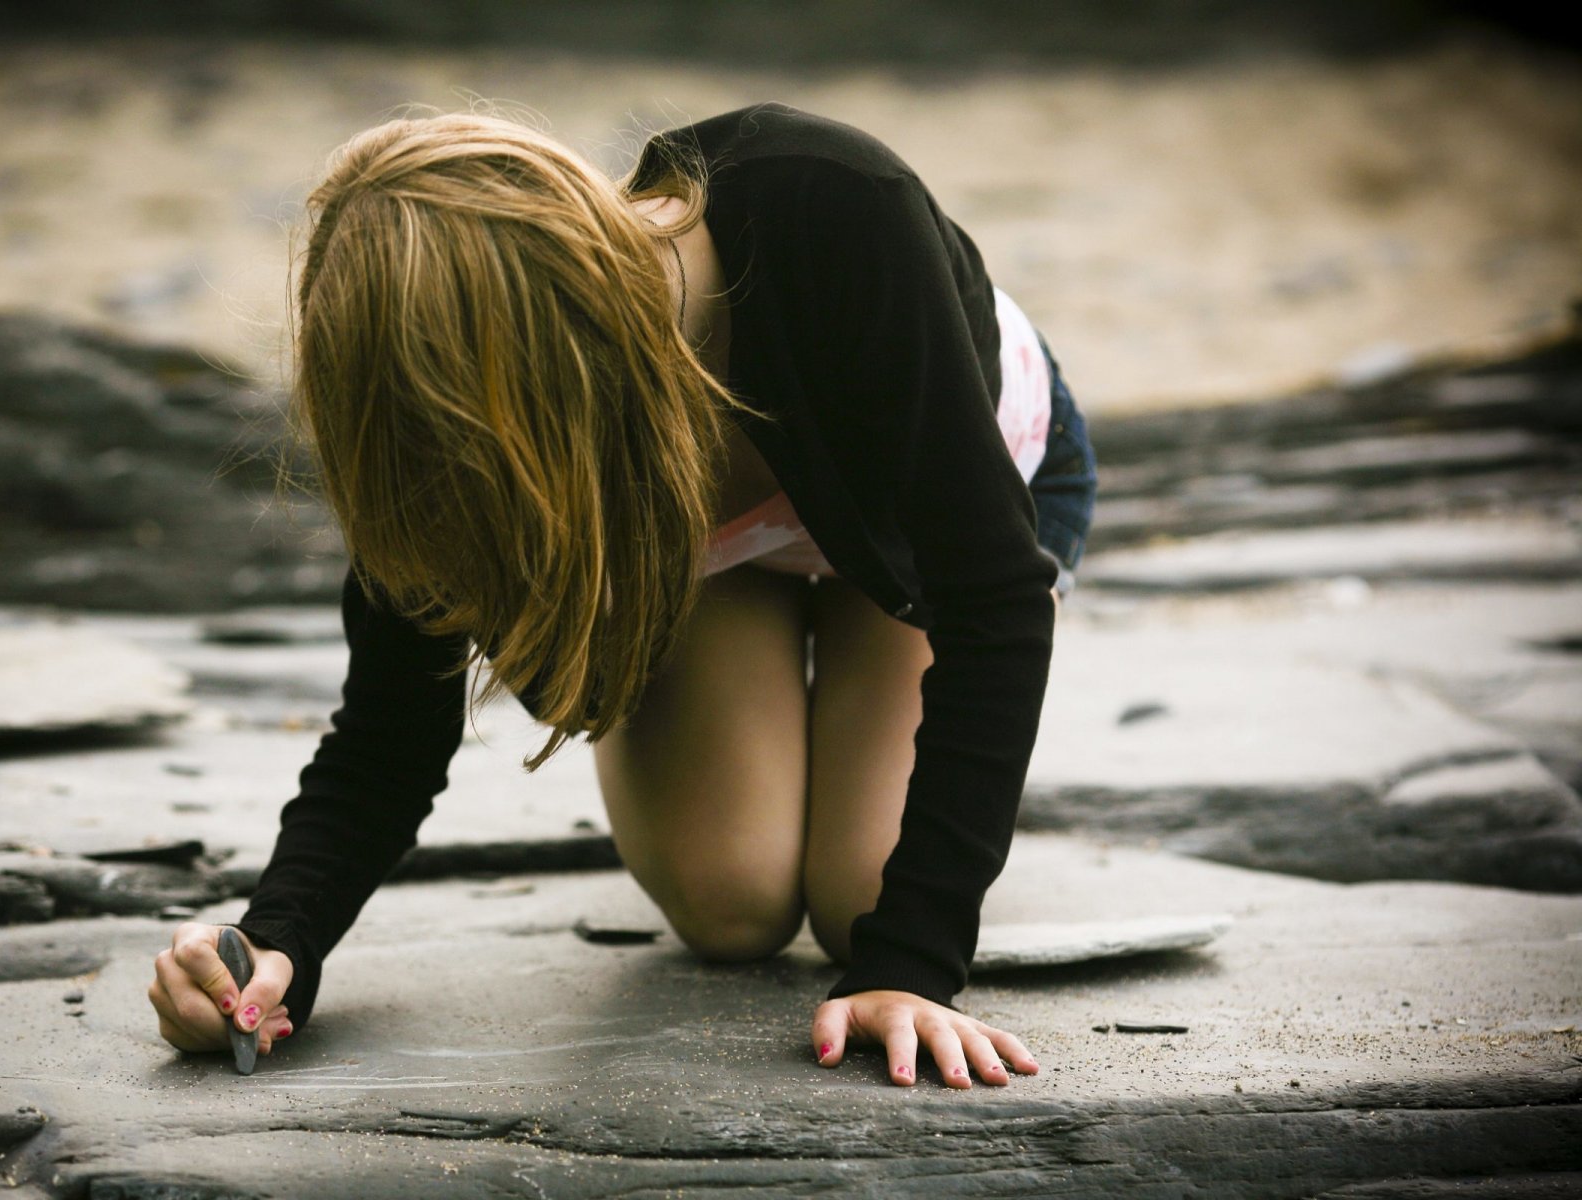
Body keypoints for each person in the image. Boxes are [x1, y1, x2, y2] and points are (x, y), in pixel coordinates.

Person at [147, 100, 1099, 1088]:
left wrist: (911, 968)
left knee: (866, 897)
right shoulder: (440, 422)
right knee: (731, 904)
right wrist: (275, 949)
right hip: (720, 564)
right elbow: (389, 729)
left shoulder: (833, 204)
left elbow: (993, 599)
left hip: (926, 535)